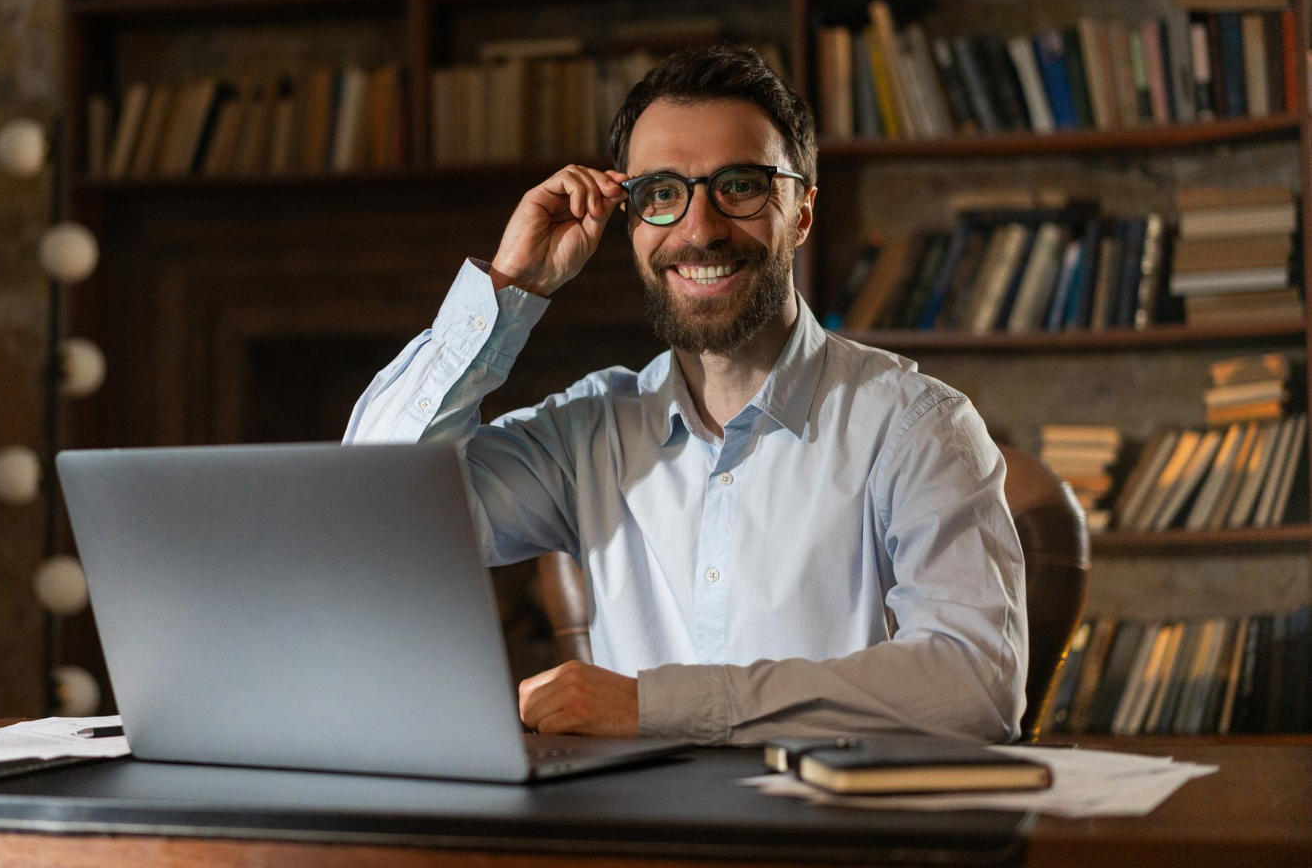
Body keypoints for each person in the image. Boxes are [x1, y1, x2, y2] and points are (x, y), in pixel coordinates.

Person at [345, 44, 1027, 745]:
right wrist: (511, 286)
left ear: (801, 212)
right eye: (663, 194)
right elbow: (372, 507)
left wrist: (661, 705)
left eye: (741, 185)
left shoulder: (918, 425)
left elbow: (975, 686)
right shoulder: (589, 434)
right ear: (631, 220)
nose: (700, 230)